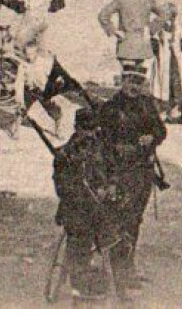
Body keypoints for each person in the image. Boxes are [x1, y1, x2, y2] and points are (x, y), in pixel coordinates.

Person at [96, 58, 166, 288]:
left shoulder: (147, 104)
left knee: (134, 220)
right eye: (130, 81)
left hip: (142, 172)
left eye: (138, 81)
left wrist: (153, 137)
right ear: (122, 81)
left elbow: (161, 130)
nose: (134, 86)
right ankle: (116, 271)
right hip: (118, 172)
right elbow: (102, 142)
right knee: (118, 220)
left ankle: (127, 268)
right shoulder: (110, 108)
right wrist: (117, 149)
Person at [52, 109, 114, 304]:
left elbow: (113, 172)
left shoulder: (102, 149)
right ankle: (80, 286)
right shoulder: (64, 154)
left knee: (115, 237)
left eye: (93, 130)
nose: (89, 134)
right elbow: (62, 188)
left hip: (100, 209)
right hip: (76, 209)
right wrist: (83, 194)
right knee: (79, 243)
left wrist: (109, 187)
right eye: (85, 130)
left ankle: (100, 283)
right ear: (76, 128)